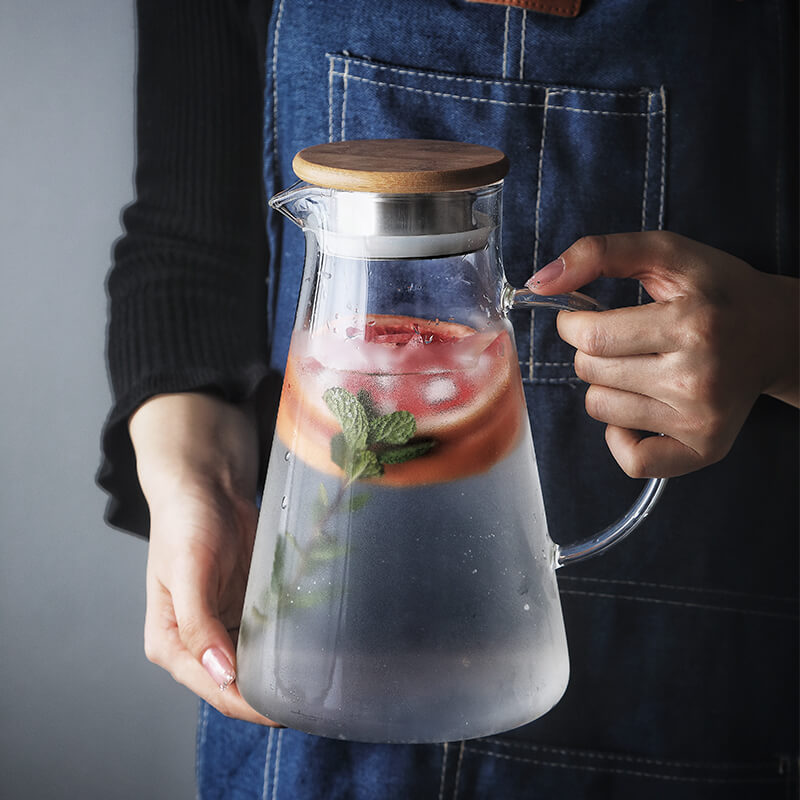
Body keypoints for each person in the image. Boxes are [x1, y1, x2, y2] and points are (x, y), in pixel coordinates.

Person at [99, 1, 799, 797]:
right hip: (313, 707)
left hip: (692, 680)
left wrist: (784, 340)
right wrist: (199, 483)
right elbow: (188, 243)